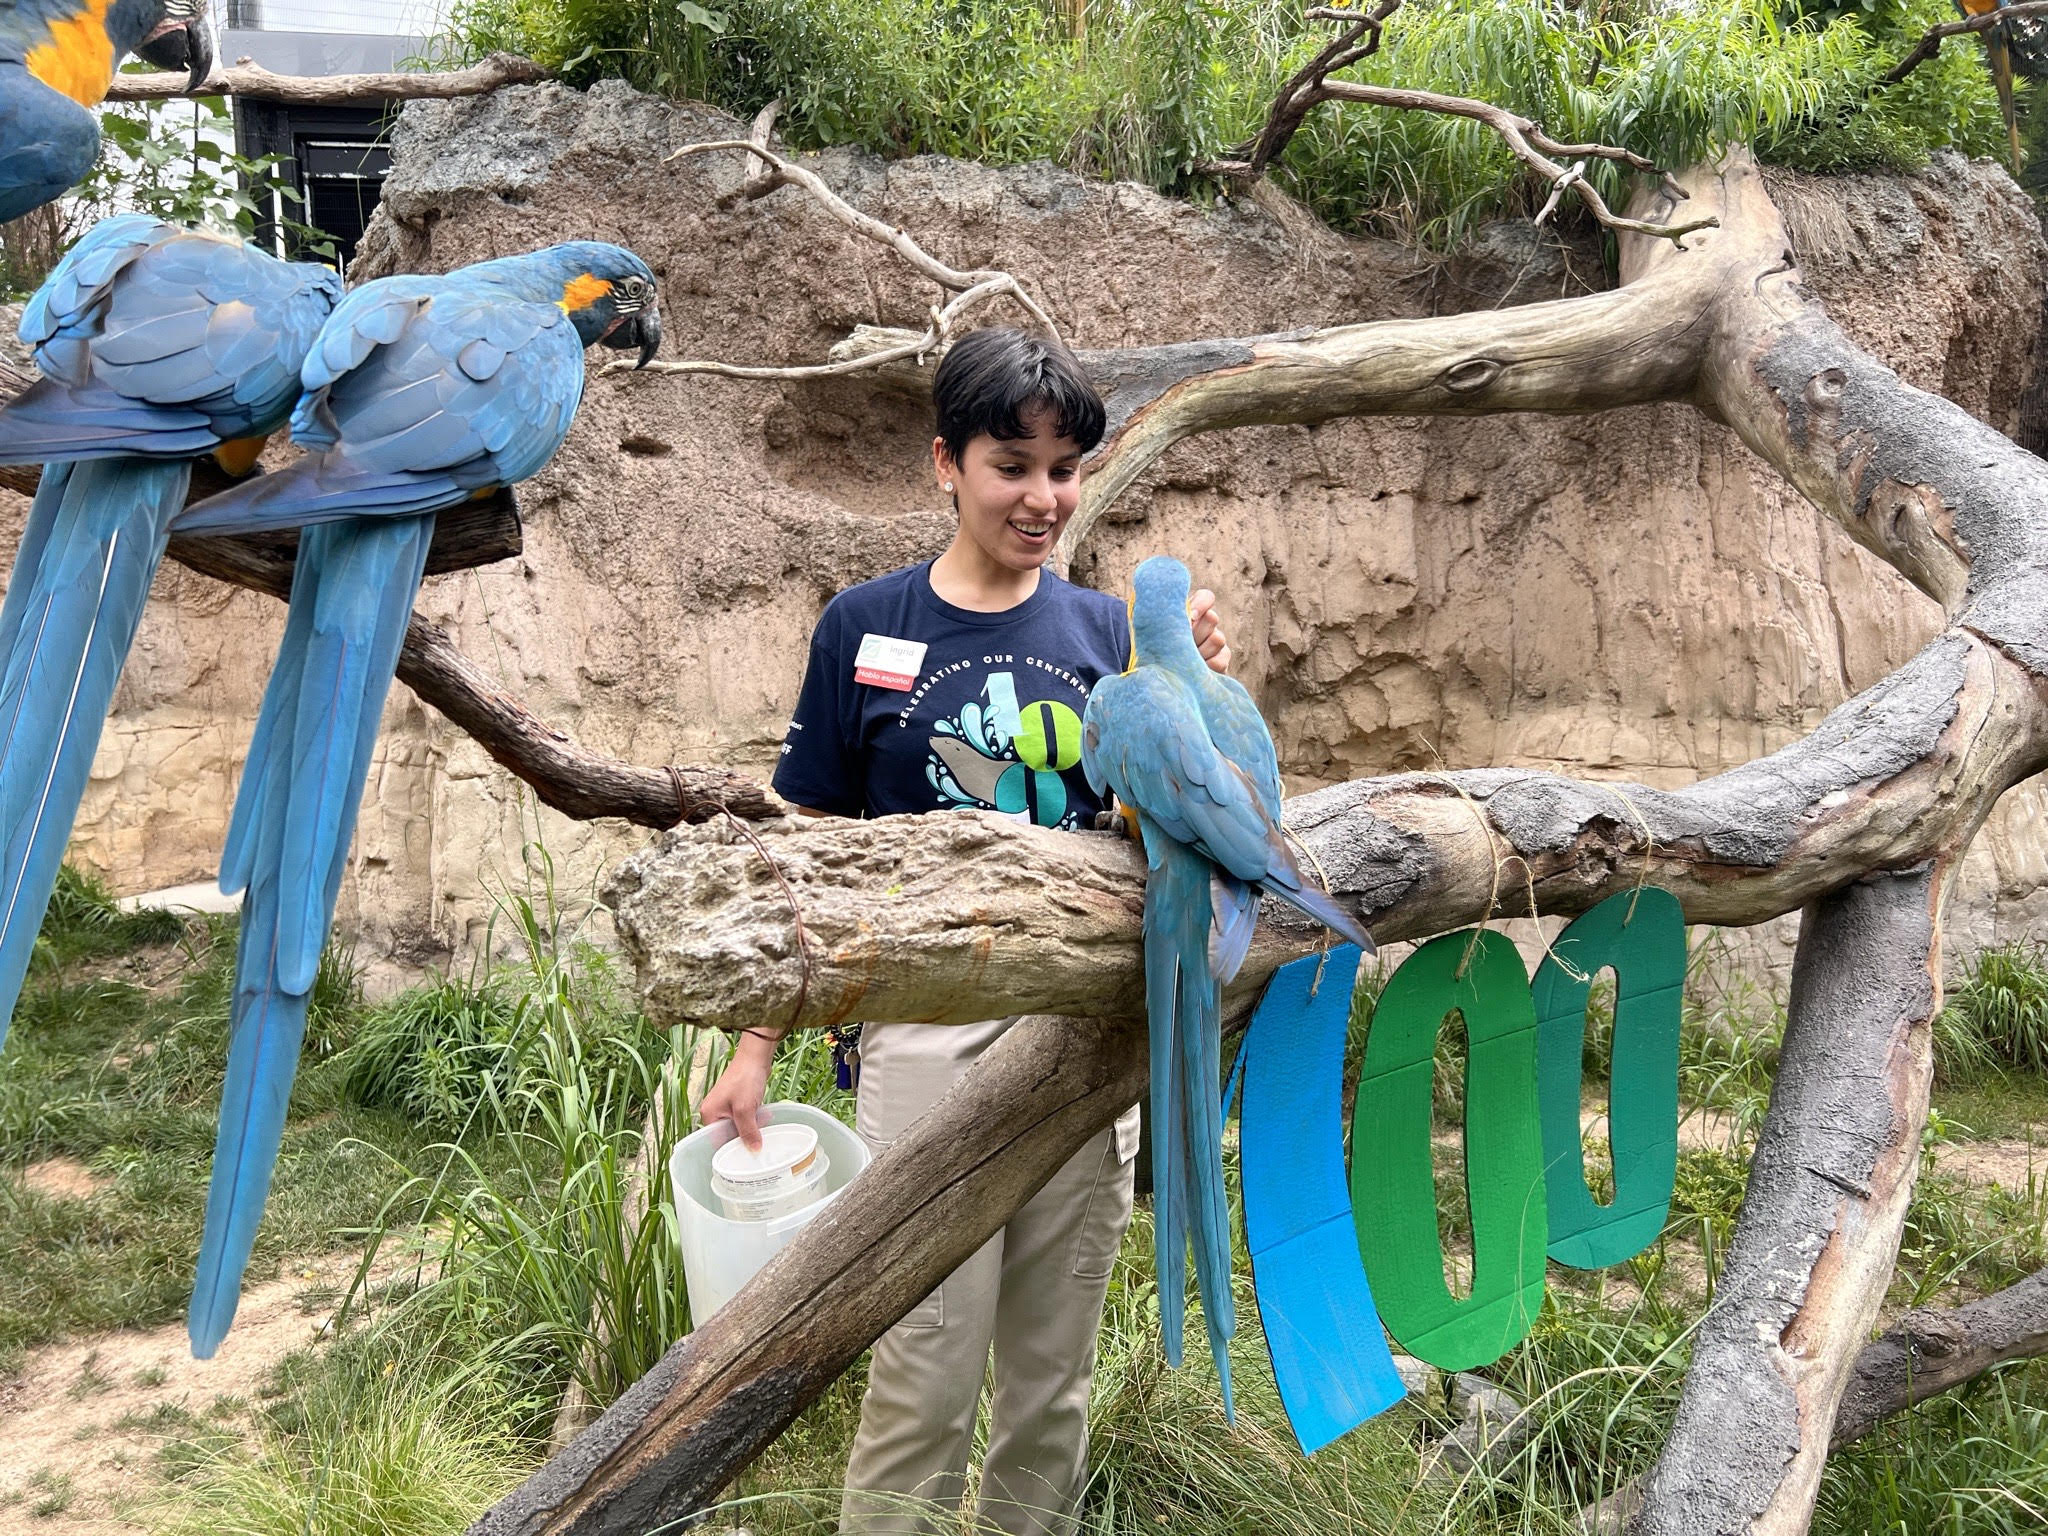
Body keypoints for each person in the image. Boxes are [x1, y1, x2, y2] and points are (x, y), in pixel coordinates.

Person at [697, 326, 1231, 1536]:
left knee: (1051, 1383)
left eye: (1063, 469)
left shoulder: (1108, 639)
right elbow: (808, 861)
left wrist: (1192, 681)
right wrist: (752, 1047)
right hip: (921, 1041)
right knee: (922, 1379)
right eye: (1011, 465)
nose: (1041, 498)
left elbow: (1185, 828)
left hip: (1084, 1033)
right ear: (944, 462)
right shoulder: (862, 629)